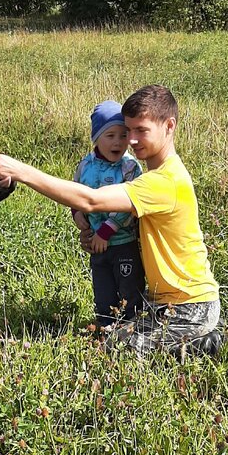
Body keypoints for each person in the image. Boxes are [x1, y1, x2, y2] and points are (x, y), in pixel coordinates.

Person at [0, 85, 222, 360]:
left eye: (142, 130)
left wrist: (21, 171)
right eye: (129, 131)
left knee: (118, 351)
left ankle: (203, 342)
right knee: (110, 336)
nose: (132, 141)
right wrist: (91, 230)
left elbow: (91, 200)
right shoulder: (155, 176)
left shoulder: (164, 182)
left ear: (169, 126)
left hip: (190, 305)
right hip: (161, 302)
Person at [72, 100, 144, 327]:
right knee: (103, 292)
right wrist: (77, 214)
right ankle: (104, 333)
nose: (118, 142)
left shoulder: (130, 167)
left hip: (124, 243)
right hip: (97, 246)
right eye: (110, 135)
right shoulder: (85, 166)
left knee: (129, 291)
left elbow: (131, 203)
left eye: (123, 135)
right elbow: (75, 192)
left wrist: (105, 231)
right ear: (96, 138)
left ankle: (133, 330)